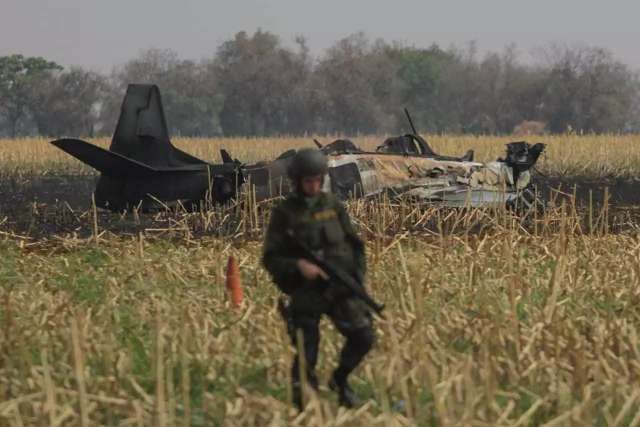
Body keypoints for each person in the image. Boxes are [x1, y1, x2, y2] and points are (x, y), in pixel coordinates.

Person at [262, 148, 375, 410]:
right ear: (297, 182)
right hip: (307, 291)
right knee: (307, 351)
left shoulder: (333, 206)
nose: (314, 186)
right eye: (308, 181)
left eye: (317, 180)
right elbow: (270, 257)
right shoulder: (285, 213)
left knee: (363, 336)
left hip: (340, 286)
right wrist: (298, 266)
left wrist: (358, 278)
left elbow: (354, 245)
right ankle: (305, 402)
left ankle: (340, 380)